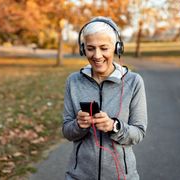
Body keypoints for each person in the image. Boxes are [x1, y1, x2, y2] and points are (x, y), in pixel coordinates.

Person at [62, 16, 148, 180]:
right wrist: (78, 125)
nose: (97, 55)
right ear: (82, 49)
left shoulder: (134, 82)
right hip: (79, 176)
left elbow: (138, 133)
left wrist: (114, 126)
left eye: (104, 48)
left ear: (117, 48)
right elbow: (67, 131)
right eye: (90, 48)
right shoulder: (73, 81)